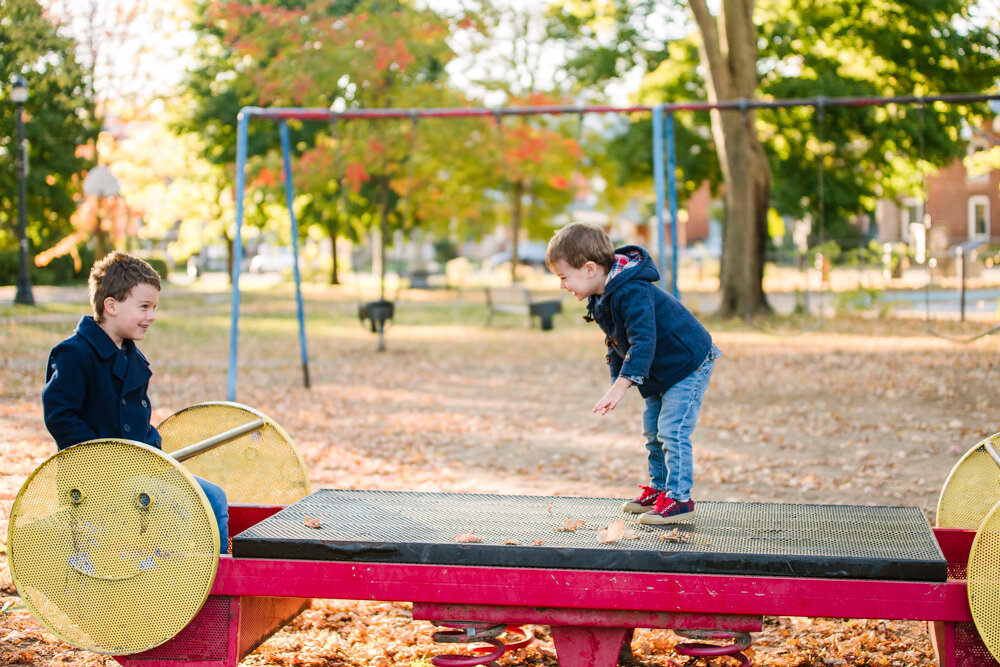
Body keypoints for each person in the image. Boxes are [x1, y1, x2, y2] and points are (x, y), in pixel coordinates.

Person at [42, 251, 230, 552]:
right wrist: (108, 458)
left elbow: (137, 420)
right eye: (144, 307)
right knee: (175, 505)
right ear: (112, 306)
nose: (151, 316)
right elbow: (60, 416)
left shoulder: (132, 358)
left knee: (214, 497)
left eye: (154, 307)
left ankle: (218, 589)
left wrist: (152, 449)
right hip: (96, 477)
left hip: (139, 468)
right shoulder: (75, 353)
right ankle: (167, 584)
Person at [545, 222, 720, 525]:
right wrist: (617, 381)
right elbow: (616, 341)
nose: (562, 285)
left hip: (687, 361)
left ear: (589, 269)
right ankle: (660, 488)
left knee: (672, 431)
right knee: (652, 432)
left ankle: (679, 499)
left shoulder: (632, 291)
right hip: (659, 368)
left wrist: (623, 385)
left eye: (564, 277)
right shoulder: (601, 298)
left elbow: (643, 340)